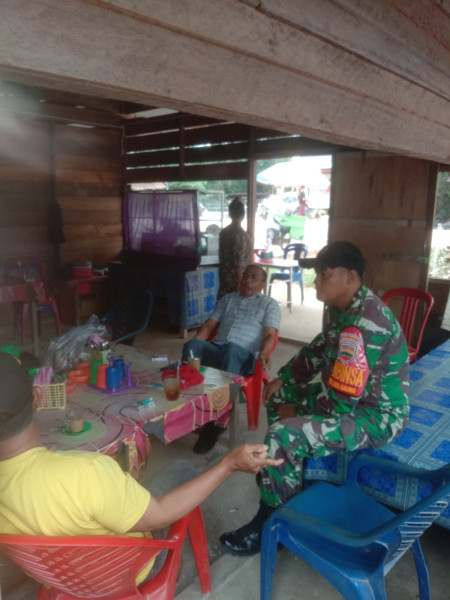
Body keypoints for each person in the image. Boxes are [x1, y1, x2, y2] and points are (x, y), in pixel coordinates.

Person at [0, 352, 283, 583]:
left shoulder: (76, 473)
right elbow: (158, 517)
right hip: (126, 572)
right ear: (37, 396)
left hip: (57, 578)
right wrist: (229, 464)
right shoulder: (86, 471)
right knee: (181, 469)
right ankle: (170, 568)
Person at [219, 241, 410, 556]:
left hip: (377, 416)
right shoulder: (343, 308)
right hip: (351, 399)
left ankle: (272, 525)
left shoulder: (365, 323)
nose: (316, 281)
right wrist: (283, 378)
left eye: (325, 274)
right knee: (278, 395)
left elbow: (341, 402)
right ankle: (287, 479)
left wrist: (295, 409)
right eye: (317, 274)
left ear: (350, 276)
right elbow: (319, 349)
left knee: (283, 434)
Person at [182, 263, 281, 453]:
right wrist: (197, 344)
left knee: (231, 351)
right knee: (192, 346)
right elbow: (209, 326)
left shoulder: (269, 304)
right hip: (219, 349)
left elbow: (270, 334)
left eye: (254, 277)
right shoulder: (228, 299)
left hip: (244, 357)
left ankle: (216, 423)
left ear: (263, 284)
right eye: (245, 276)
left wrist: (264, 353)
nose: (247, 280)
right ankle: (190, 403)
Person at [218, 196, 253, 299]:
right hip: (237, 280)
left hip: (224, 278)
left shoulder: (224, 232)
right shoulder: (240, 234)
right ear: (243, 215)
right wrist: (240, 283)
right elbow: (238, 263)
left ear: (230, 214)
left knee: (224, 304)